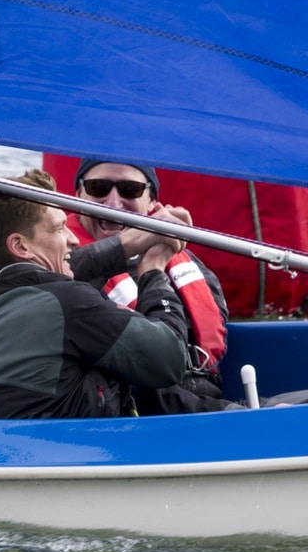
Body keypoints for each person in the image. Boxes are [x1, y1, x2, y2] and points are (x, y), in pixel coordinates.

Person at [0, 169, 190, 419]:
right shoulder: (68, 303)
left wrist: (125, 245)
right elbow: (171, 359)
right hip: (79, 451)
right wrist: (153, 271)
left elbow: (59, 272)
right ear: (20, 246)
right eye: (59, 229)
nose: (74, 239)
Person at [66, 159, 232, 414]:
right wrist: (151, 267)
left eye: (129, 190)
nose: (112, 203)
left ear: (152, 200)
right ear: (78, 195)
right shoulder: (63, 266)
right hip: (143, 415)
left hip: (205, 402)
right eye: (98, 187)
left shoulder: (190, 265)